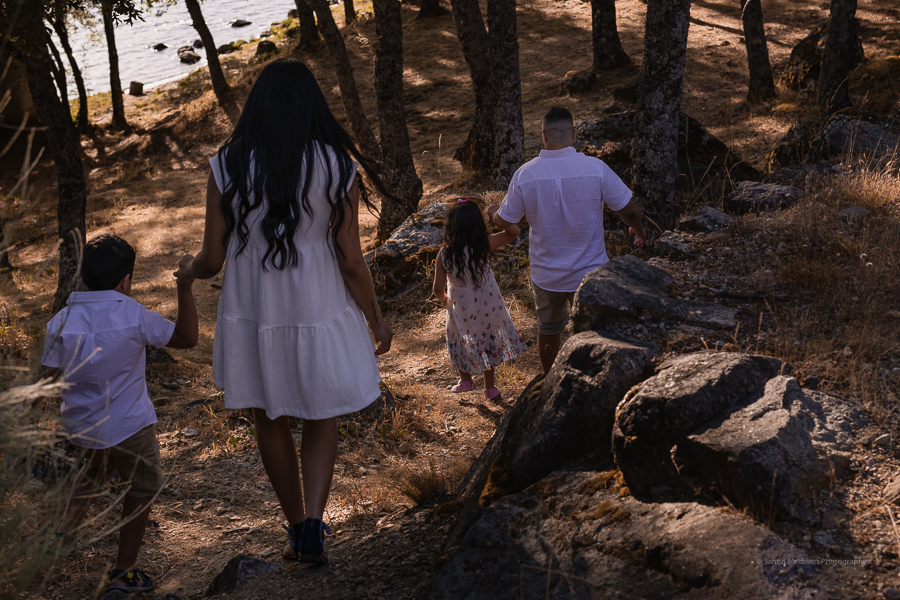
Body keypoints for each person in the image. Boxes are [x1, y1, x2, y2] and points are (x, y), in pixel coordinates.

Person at [174, 58, 392, 564]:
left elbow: (212, 257)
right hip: (317, 300)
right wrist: (375, 317)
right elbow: (351, 257)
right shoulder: (336, 165)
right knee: (321, 412)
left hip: (254, 306)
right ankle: (315, 523)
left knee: (267, 414)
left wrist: (187, 271)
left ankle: (295, 527)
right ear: (311, 105)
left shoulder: (227, 164)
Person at [42, 234, 197, 593]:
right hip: (131, 427)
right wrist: (185, 288)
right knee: (143, 487)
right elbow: (187, 339)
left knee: (95, 468)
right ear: (126, 280)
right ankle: (124, 571)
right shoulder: (133, 315)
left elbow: (42, 382)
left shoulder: (60, 322)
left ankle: (63, 536)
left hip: (83, 427)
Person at [491, 107, 646, 373]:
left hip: (547, 274)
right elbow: (629, 210)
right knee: (592, 332)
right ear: (574, 134)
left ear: (543, 136)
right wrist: (638, 230)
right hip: (591, 273)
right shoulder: (595, 168)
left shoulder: (526, 175)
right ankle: (593, 378)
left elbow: (504, 220)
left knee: (549, 330)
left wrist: (496, 213)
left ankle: (550, 381)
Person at [432, 198, 527, 400]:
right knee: (487, 338)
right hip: (486, 304)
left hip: (458, 306)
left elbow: (437, 288)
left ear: (451, 225)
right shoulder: (483, 245)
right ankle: (489, 388)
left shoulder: (444, 254)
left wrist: (445, 300)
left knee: (459, 338)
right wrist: (495, 215)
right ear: (477, 224)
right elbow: (515, 232)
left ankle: (465, 380)